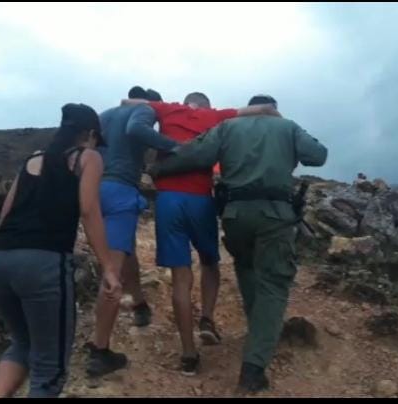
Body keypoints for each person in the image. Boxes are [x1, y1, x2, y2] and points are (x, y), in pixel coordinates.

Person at [151, 95, 328, 392]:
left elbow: (196, 154)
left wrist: (159, 169)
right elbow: (318, 156)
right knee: (273, 283)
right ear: (273, 110)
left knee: (246, 270)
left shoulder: (227, 127)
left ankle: (259, 333)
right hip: (275, 215)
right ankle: (253, 368)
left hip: (235, 215)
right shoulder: (288, 127)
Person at [123, 92, 278, 376]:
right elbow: (264, 109)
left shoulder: (168, 109)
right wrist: (274, 114)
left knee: (180, 277)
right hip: (200, 199)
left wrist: (167, 136)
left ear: (187, 102)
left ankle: (188, 354)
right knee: (209, 262)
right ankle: (206, 319)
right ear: (206, 105)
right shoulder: (216, 115)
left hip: (169, 200)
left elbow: (126, 103)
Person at [0, 103, 122, 398]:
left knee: (22, 344)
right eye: (96, 140)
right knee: (49, 368)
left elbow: (5, 213)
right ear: (89, 134)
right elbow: (89, 210)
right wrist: (109, 267)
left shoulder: (33, 159)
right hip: (43, 264)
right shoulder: (88, 158)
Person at [86, 86, 179, 378]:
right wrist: (175, 146)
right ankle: (100, 351)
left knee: (126, 251)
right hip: (119, 191)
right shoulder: (145, 110)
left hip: (92, 189)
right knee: (112, 270)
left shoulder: (104, 115)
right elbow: (137, 129)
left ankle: (139, 304)